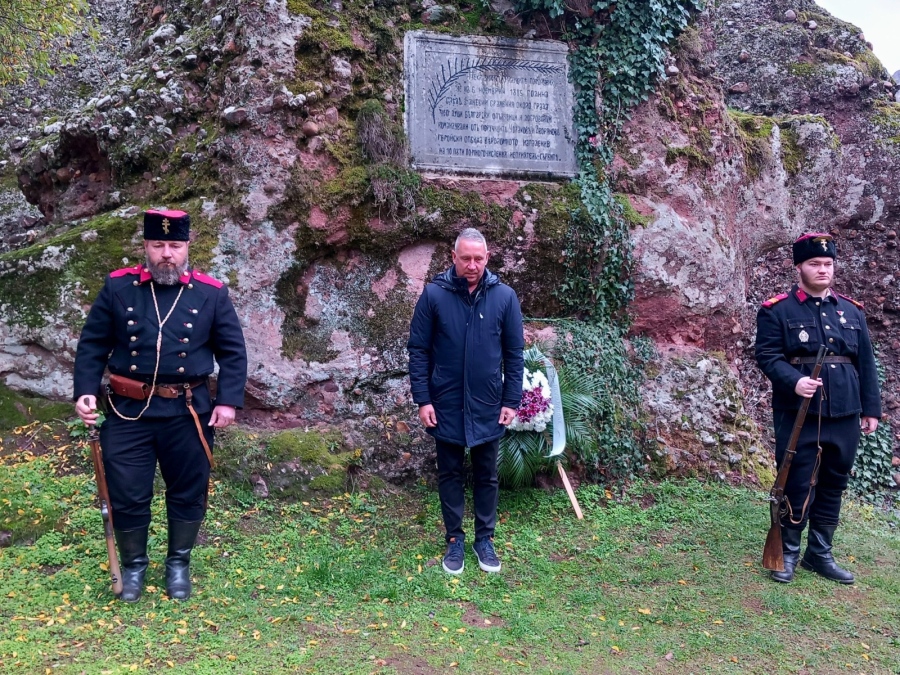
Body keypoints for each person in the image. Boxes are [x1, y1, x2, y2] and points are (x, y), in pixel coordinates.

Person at [73, 209, 247, 602]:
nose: (166, 253)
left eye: (174, 245)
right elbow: (93, 345)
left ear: (187, 247)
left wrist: (228, 402)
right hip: (127, 411)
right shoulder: (119, 287)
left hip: (187, 411)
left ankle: (178, 564)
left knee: (188, 490)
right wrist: (85, 391)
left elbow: (233, 353)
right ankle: (134, 566)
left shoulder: (211, 292)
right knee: (127, 491)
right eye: (158, 245)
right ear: (146, 247)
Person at [755, 232, 881, 584]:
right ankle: (788, 552)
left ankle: (819, 554)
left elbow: (866, 363)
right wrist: (794, 380)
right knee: (796, 482)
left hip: (845, 410)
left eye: (828, 264)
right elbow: (767, 355)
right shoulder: (777, 310)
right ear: (799, 267)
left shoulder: (851, 311)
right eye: (814, 264)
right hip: (799, 412)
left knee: (834, 482)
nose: (823, 269)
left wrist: (871, 409)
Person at [407, 228, 524, 575]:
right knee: (450, 474)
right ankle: (454, 539)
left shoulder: (504, 297)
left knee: (487, 475)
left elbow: (514, 354)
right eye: (465, 258)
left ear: (487, 258)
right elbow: (418, 350)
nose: (472, 265)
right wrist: (423, 399)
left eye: (478, 258)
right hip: (446, 403)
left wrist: (511, 399)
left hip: (488, 403)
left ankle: (484, 539)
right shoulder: (434, 295)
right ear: (453, 257)